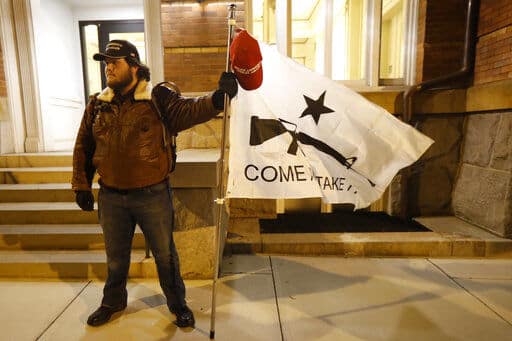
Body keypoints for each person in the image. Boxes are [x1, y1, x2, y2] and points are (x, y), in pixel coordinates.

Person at [71, 39, 237, 328]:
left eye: (115, 62)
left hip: (152, 194)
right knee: (115, 258)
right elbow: (83, 145)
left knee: (165, 255)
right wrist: (81, 185)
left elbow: (191, 110)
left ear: (134, 65)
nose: (108, 67)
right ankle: (113, 301)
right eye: (106, 62)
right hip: (110, 196)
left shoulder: (157, 98)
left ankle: (177, 304)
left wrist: (218, 98)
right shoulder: (98, 104)